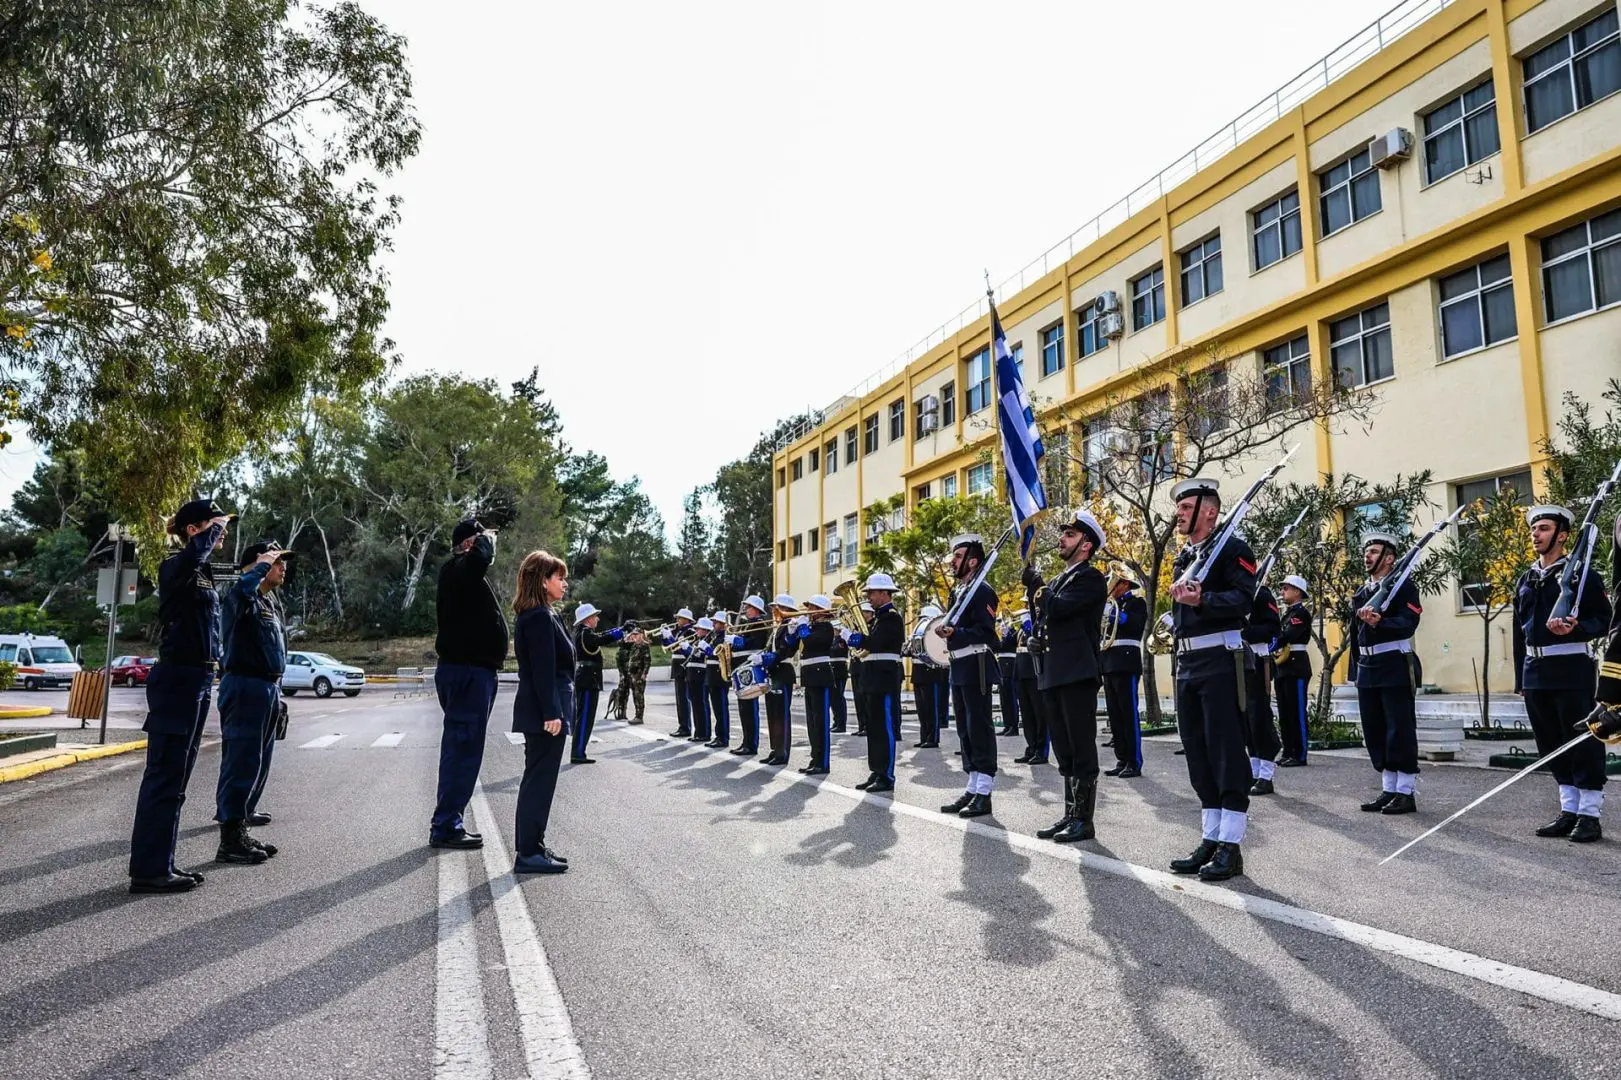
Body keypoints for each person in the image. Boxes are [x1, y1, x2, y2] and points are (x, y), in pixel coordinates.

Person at [128, 498, 232, 894]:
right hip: (178, 680)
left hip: (199, 680)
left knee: (177, 779)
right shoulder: (176, 565)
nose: (222, 534)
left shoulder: (199, 571)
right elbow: (196, 553)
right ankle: (149, 870)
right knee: (164, 777)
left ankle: (160, 863)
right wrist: (214, 530)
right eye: (215, 526)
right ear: (194, 529)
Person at [1164, 478, 1257, 883]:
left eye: (1186, 507)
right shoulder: (1185, 557)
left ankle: (1231, 847)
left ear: (1210, 511)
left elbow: (1244, 600)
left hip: (1222, 659)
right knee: (1198, 753)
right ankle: (1211, 836)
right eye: (1180, 507)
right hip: (1188, 663)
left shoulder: (1234, 550)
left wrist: (1203, 599)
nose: (1179, 514)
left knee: (1225, 751)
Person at [1513, 505, 1611, 843]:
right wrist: (1519, 679)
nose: (1535, 534)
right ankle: (1569, 809)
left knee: (1582, 742)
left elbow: (1605, 619)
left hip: (1571, 668)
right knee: (1551, 743)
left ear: (1563, 535)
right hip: (1535, 671)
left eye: (1543, 528)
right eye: (1534, 529)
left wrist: (1576, 627)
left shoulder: (1582, 575)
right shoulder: (1526, 578)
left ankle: (1590, 815)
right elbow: (1518, 632)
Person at [1023, 510, 1107, 843]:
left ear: (1087, 545)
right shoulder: (1060, 580)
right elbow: (1045, 617)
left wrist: (1038, 587)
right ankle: (1070, 813)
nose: (1062, 539)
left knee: (1081, 746)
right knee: (1063, 748)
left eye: (1070, 535)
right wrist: (1034, 635)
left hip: (1077, 672)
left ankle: (1084, 820)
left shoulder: (1091, 578)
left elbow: (1057, 608)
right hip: (1053, 670)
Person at [430, 519, 508, 850]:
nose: (490, 545)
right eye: (481, 539)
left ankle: (450, 820)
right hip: (466, 673)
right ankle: (447, 825)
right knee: (462, 751)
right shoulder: (460, 567)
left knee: (466, 750)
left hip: (472, 672)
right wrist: (483, 542)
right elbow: (479, 560)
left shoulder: (463, 573)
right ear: (467, 544)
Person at [213, 541, 291, 864]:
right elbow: (241, 593)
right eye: (276, 562)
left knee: (258, 764)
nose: (282, 567)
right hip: (244, 687)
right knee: (241, 763)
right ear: (257, 565)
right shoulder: (239, 596)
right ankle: (229, 839)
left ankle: (241, 827)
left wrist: (280, 694)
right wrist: (258, 567)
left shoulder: (268, 601)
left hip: (267, 689)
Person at [1349, 530, 1423, 816]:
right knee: (1375, 730)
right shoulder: (1362, 593)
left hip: (1394, 663)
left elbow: (1409, 622)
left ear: (1390, 558)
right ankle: (1389, 789)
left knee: (1399, 728)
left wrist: (1382, 622)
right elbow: (1355, 636)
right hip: (1368, 668)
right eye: (1366, 551)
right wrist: (1355, 670)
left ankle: (1405, 791)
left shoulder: (1404, 587)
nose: (1367, 556)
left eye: (1374, 551)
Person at [512, 550, 574, 875]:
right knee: (538, 781)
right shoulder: (538, 617)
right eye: (559, 577)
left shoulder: (545, 614)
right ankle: (527, 852)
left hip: (547, 711)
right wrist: (552, 713)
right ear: (543, 580)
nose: (564, 583)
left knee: (540, 781)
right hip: (545, 715)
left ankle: (534, 846)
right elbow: (543, 671)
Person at [937, 534, 1001, 819]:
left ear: (974, 561)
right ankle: (973, 785)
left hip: (977, 664)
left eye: (959, 556)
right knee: (964, 728)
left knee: (979, 727)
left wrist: (957, 633)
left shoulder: (982, 590)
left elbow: (989, 634)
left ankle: (984, 791)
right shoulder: (958, 593)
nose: (953, 561)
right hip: (960, 665)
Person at [851, 574, 905, 793]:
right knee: (873, 728)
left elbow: (876, 643)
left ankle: (887, 774)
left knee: (885, 728)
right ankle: (876, 770)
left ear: (885, 593)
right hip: (872, 677)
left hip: (884, 678)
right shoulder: (878, 619)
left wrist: (856, 638)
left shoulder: (892, 617)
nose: (869, 597)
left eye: (872, 593)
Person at [1101, 572, 1148, 779]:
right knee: (1115, 715)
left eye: (1115, 582)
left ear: (1125, 584)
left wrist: (1116, 615)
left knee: (1128, 714)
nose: (1112, 586)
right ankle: (1121, 758)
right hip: (1109, 661)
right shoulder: (1110, 604)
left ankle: (1134, 761)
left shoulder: (1137, 603)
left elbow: (1135, 625)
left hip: (1127, 661)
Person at [1242, 580, 1284, 796]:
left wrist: (1244, 632)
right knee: (1247, 722)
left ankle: (1266, 774)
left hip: (1258, 660)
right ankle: (1255, 771)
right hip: (1237, 661)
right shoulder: (1237, 592)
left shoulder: (1261, 592)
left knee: (1259, 718)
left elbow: (1272, 629)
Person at [570, 603, 623, 764]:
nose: (598, 619)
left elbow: (600, 636)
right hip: (587, 679)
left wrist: (621, 630)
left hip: (587, 678)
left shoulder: (583, 632)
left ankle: (580, 751)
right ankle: (578, 753)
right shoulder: (585, 633)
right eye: (595, 616)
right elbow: (601, 639)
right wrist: (621, 631)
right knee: (585, 717)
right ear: (588, 619)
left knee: (586, 717)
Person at [1273, 575, 1315, 767]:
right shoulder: (1287, 614)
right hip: (1283, 666)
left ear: (1297, 591)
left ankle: (1300, 754)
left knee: (1297, 712)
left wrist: (1271, 643)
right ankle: (1288, 751)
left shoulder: (1301, 614)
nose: (1282, 592)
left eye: (1286, 588)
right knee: (1285, 713)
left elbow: (1288, 635)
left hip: (1297, 666)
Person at [796, 596, 838, 775]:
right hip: (811, 677)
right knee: (812, 722)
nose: (808, 610)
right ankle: (815, 758)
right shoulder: (813, 627)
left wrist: (802, 627)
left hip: (821, 677)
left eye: (812, 607)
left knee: (821, 722)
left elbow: (811, 641)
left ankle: (823, 762)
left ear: (821, 610)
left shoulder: (826, 628)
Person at [759, 594, 803, 766]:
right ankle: (775, 748)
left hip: (783, 670)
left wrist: (770, 658)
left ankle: (782, 751)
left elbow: (787, 650)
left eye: (776, 608)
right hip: (773, 672)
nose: (773, 611)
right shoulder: (777, 627)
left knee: (781, 713)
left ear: (787, 610)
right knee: (772, 713)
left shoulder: (790, 626)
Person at [728, 596, 771, 756]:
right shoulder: (749, 624)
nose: (745, 609)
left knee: (749, 709)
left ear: (756, 609)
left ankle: (751, 744)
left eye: (748, 606)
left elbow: (754, 643)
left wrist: (737, 640)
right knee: (744, 709)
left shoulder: (759, 624)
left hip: (749, 671)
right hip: (742, 670)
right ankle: (746, 742)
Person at [1010, 608, 1050, 766]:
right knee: (1026, 713)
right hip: (1021, 669)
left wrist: (1029, 626)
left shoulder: (1038, 620)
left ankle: (1041, 750)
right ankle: (1031, 746)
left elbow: (1039, 639)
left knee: (1039, 712)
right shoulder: (1023, 626)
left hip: (1034, 670)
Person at [908, 604, 947, 749]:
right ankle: (924, 736)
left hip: (931, 673)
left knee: (931, 709)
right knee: (922, 709)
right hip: (918, 672)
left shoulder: (936, 634)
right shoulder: (917, 632)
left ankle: (933, 738)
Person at [704, 610, 733, 749]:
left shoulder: (725, 636)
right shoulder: (714, 636)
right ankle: (719, 735)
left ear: (723, 624)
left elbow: (717, 653)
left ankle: (723, 737)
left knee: (721, 708)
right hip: (712, 675)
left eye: (716, 622)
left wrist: (708, 650)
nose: (713, 624)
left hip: (719, 675)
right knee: (716, 708)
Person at [666, 607, 697, 737]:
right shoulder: (679, 632)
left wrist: (671, 639)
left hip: (683, 666)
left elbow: (678, 647)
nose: (677, 620)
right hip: (677, 665)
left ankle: (686, 727)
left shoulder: (690, 632)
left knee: (684, 699)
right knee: (680, 699)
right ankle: (682, 725)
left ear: (686, 620)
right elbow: (670, 647)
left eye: (680, 618)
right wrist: (665, 637)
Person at [686, 618, 715, 742]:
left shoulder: (708, 640)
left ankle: (704, 733)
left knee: (702, 704)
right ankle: (698, 732)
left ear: (706, 630)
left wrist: (690, 649)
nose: (696, 630)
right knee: (695, 704)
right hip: (692, 673)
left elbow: (702, 656)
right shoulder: (698, 640)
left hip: (701, 674)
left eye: (699, 628)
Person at [850, 602, 873, 738]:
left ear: (870, 614)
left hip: (865, 665)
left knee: (865, 699)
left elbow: (868, 643)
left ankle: (867, 726)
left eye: (864, 612)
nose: (862, 615)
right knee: (858, 699)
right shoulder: (857, 628)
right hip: (856, 666)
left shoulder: (870, 628)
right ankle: (861, 725)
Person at [995, 619, 1021, 738]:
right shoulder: (1003, 630)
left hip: (1010, 664)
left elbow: (1006, 645)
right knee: (1004, 699)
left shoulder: (1014, 631)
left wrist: (1006, 633)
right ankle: (1007, 724)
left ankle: (1013, 726)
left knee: (1010, 697)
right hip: (1002, 664)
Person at [829, 625, 851, 734]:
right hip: (832, 671)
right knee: (833, 699)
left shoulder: (842, 640)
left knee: (838, 698)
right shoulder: (832, 639)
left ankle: (841, 724)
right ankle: (836, 722)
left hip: (839, 671)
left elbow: (837, 650)